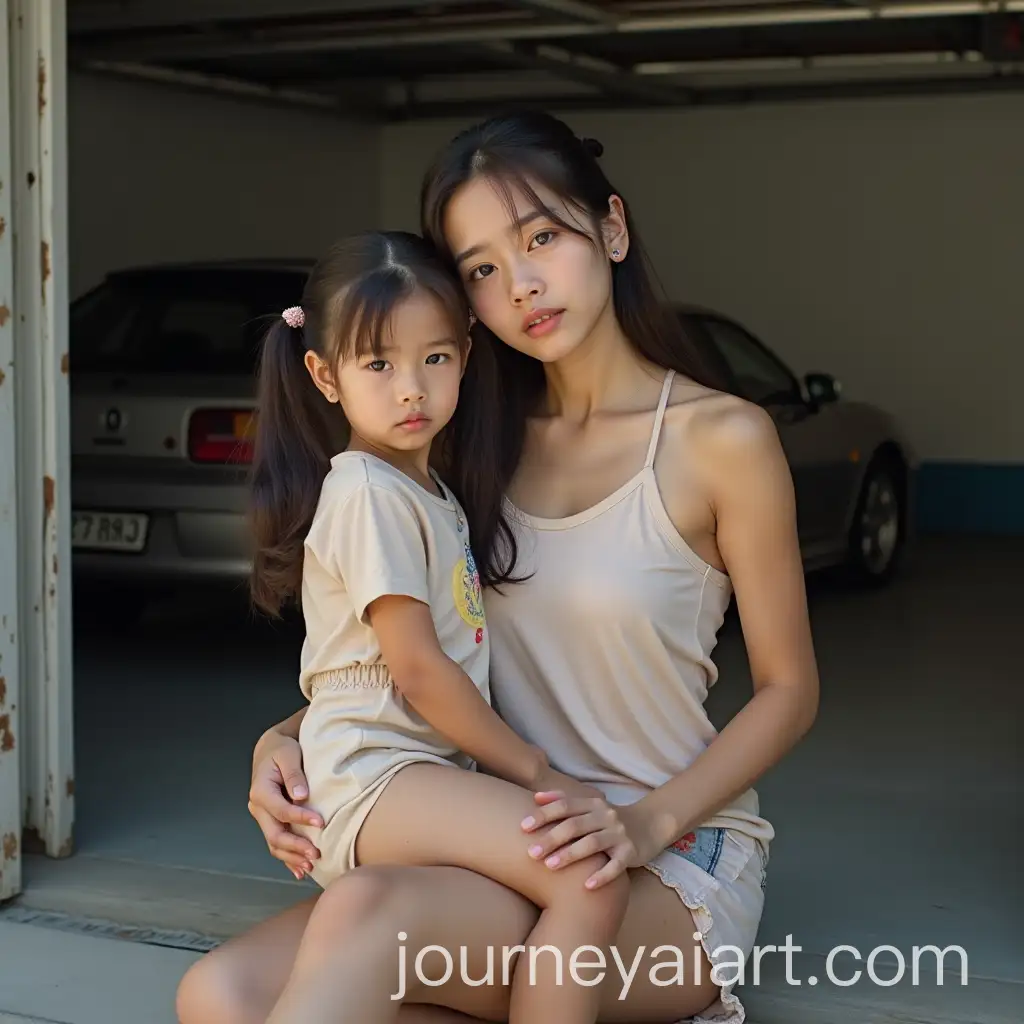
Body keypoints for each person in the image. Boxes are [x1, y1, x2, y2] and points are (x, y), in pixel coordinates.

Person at [176, 110, 820, 1024]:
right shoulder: (466, 439)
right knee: (221, 995)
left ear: (612, 228)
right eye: (480, 267)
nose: (519, 284)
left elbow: (790, 691)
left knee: (364, 920)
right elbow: (419, 643)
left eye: (542, 237)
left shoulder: (723, 440)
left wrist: (643, 823)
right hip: (508, 841)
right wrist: (285, 738)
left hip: (666, 865)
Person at [247, 229, 630, 1024]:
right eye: (378, 365)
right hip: (377, 776)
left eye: (435, 358)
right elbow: (417, 672)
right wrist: (538, 772)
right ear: (324, 375)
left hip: (401, 774)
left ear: (465, 353)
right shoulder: (370, 493)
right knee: (586, 868)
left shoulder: (425, 493)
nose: (410, 389)